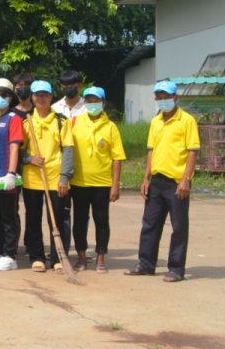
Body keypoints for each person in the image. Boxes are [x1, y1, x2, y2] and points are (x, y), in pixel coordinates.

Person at [127, 79, 199, 282]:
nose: (162, 100)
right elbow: (151, 150)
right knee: (150, 223)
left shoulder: (187, 121)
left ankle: (176, 268)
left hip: (177, 181)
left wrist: (186, 179)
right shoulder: (155, 121)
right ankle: (146, 264)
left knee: (178, 226)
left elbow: (193, 151)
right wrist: (146, 177)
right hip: (156, 180)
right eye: (158, 96)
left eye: (166, 96)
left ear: (176, 97)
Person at [69, 86, 125, 273]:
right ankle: (82, 257)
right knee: (79, 220)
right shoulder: (75, 123)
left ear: (103, 103)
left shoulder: (111, 127)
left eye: (96, 101)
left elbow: (117, 158)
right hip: (79, 182)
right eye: (89, 101)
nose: (92, 104)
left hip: (102, 182)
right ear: (84, 103)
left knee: (101, 219)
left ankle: (101, 257)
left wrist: (115, 184)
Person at [21, 80, 74, 273]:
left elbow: (68, 149)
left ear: (51, 97)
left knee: (59, 218)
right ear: (32, 97)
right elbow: (17, 151)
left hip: (56, 177)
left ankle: (59, 257)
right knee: (33, 218)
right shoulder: (27, 122)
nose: (41, 98)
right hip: (33, 178)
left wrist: (65, 177)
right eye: (37, 95)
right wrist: (29, 158)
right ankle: (37, 256)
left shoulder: (61, 121)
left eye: (45, 95)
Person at [0, 77, 23, 272]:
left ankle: (10, 254)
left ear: (10, 97)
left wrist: (11, 173)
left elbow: (15, 147)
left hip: (6, 175)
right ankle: (0, 250)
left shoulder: (14, 118)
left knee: (8, 215)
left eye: (4, 94)